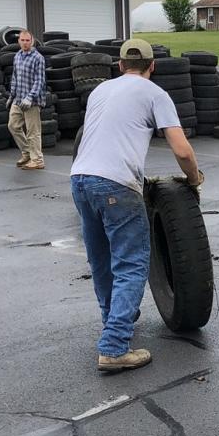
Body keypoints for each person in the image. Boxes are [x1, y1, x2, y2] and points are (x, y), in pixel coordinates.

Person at [70, 38, 202, 372]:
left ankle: (113, 321)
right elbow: (182, 150)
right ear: (152, 66)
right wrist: (194, 178)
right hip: (115, 183)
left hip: (79, 178)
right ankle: (114, 347)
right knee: (131, 264)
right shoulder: (155, 93)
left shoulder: (100, 90)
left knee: (102, 261)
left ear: (119, 65)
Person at [8, 30, 47, 171]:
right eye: (22, 40)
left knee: (33, 132)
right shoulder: (17, 56)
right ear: (19, 41)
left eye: (27, 40)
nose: (25, 43)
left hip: (32, 102)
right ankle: (27, 153)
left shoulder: (38, 58)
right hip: (18, 99)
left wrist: (30, 98)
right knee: (13, 126)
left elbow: (39, 81)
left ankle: (37, 160)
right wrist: (11, 97)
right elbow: (14, 78)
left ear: (32, 41)